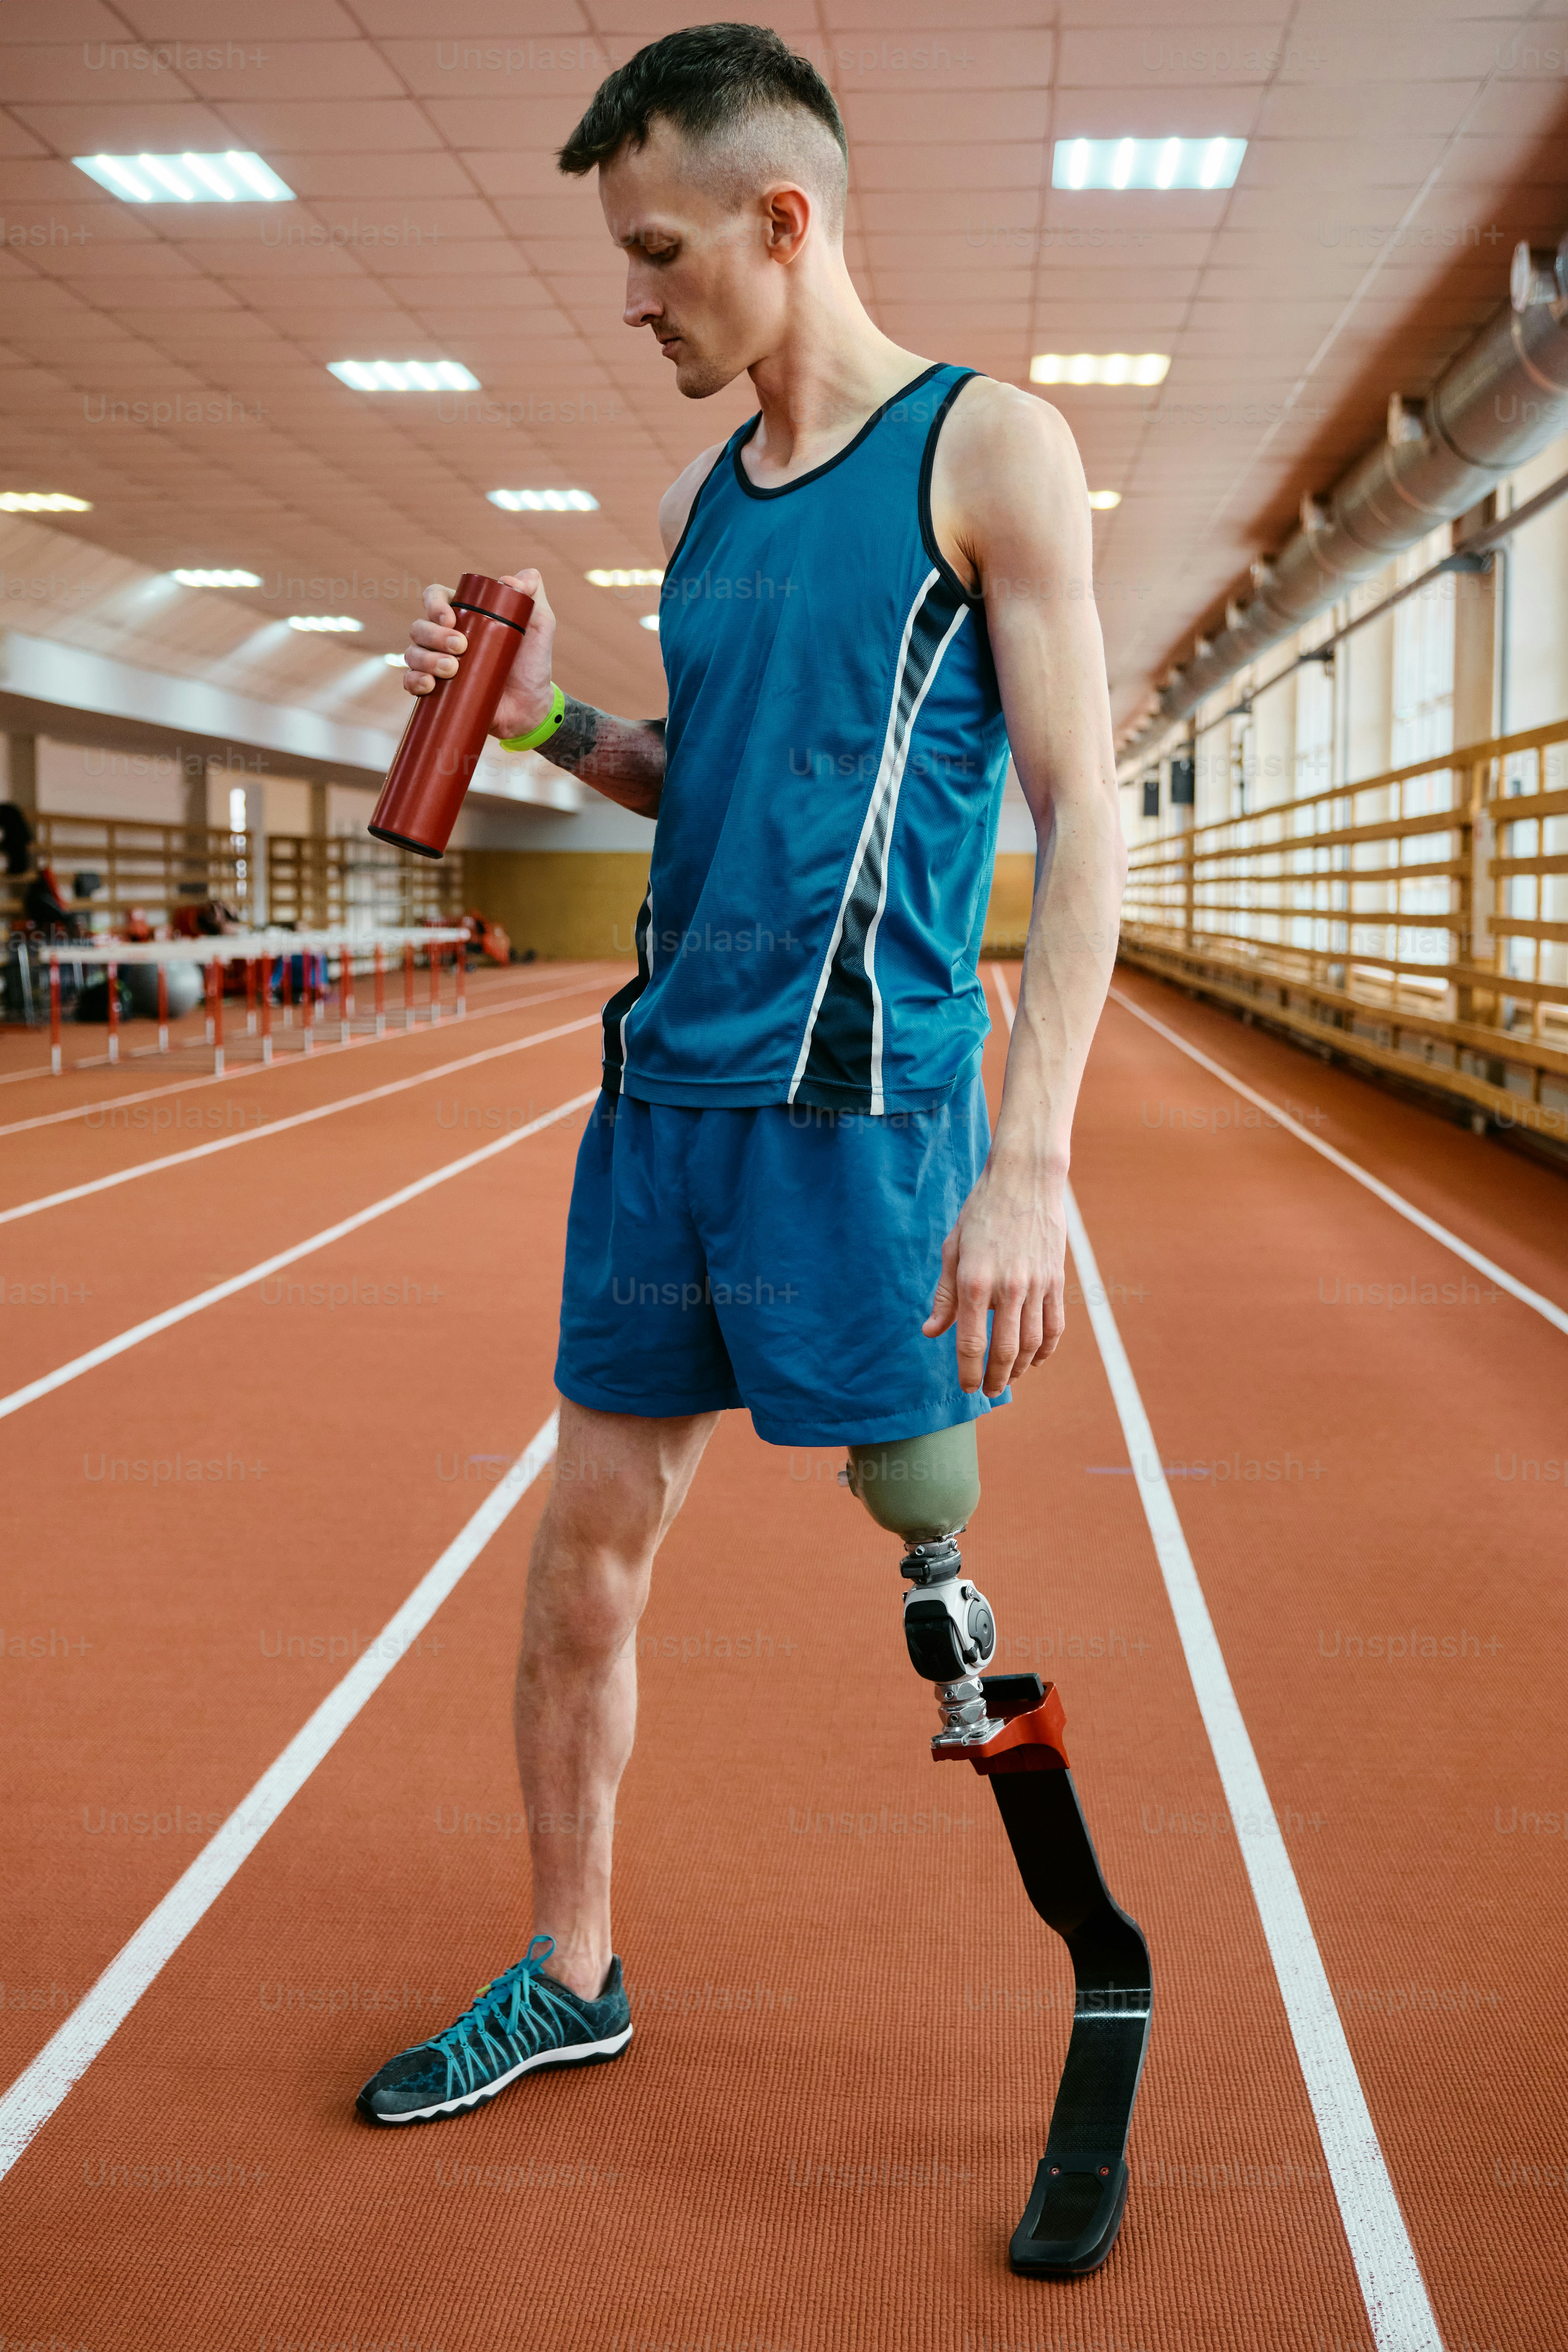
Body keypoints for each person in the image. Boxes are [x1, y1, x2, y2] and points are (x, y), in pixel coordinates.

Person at [357, 22, 1124, 2127]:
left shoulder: (990, 450)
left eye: (659, 250)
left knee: (922, 1521)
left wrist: (1033, 1157)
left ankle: (1004, 1719)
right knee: (581, 1556)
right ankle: (572, 1967)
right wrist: (539, 725)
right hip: (664, 1111)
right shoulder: (713, 504)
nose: (636, 296)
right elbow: (710, 789)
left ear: (790, 223)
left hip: (863, 1119)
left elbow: (1089, 816)